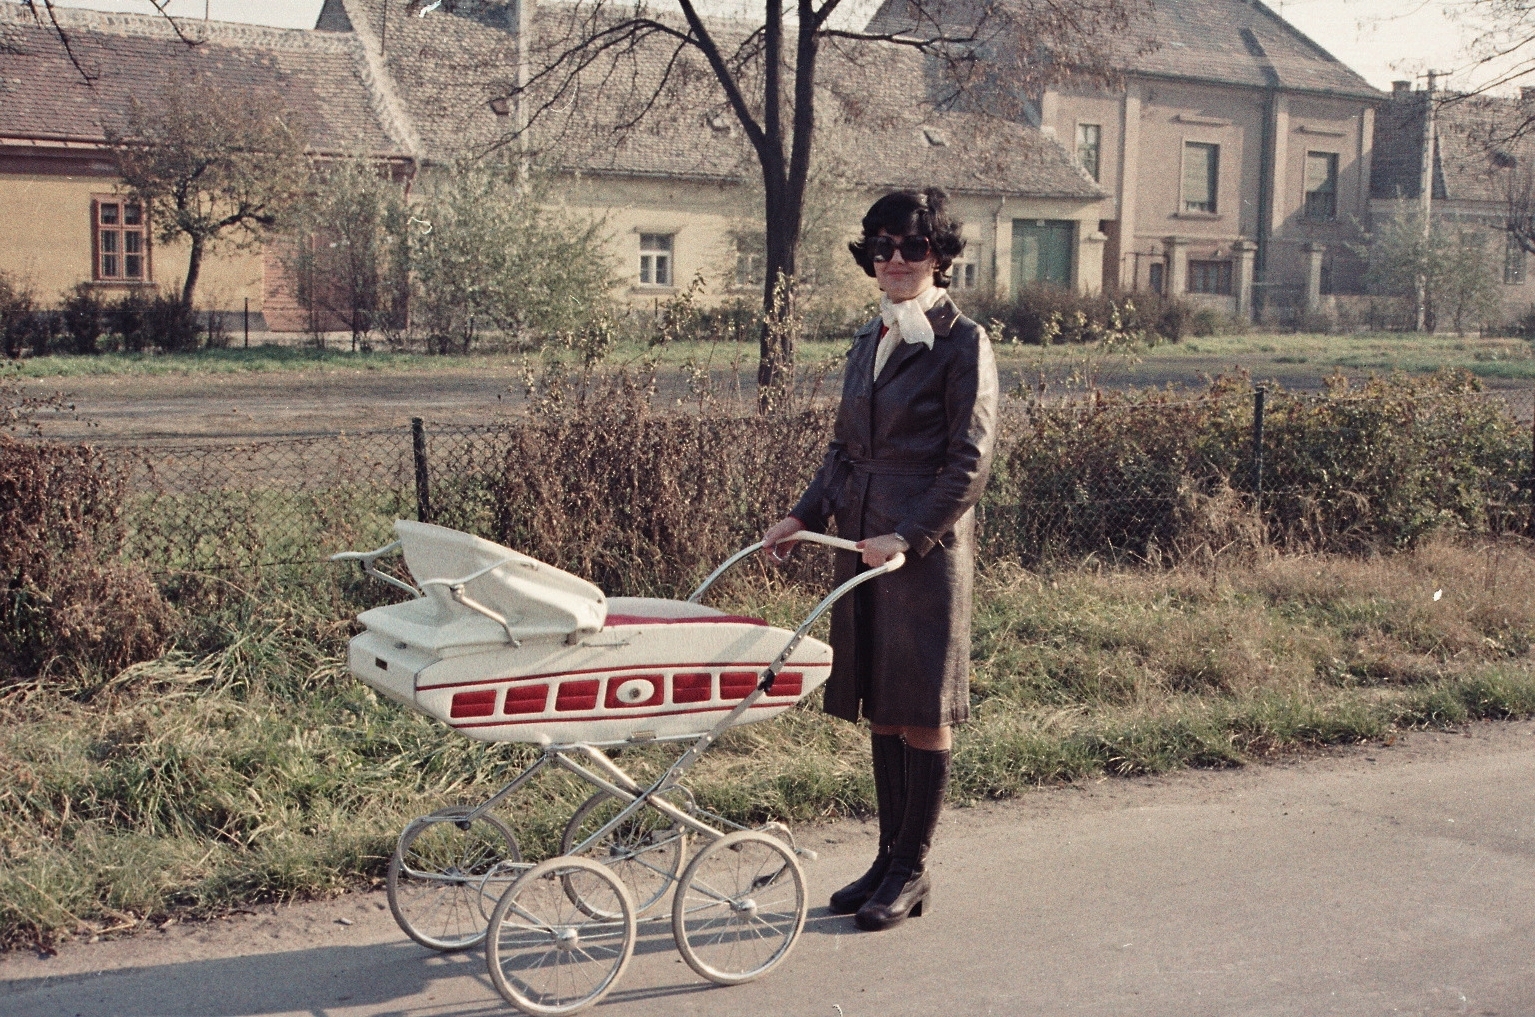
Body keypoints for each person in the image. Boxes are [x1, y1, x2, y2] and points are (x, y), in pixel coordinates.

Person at [762, 188, 998, 932]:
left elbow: (970, 460)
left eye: (912, 248)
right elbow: (844, 451)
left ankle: (912, 866)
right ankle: (885, 855)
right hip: (861, 542)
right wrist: (802, 513)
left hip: (920, 551)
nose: (895, 261)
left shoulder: (965, 343)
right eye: (882, 249)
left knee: (923, 707)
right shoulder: (868, 339)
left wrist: (909, 534)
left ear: (939, 257)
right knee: (883, 706)